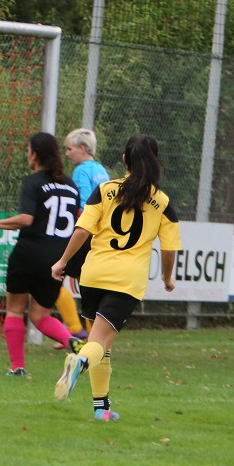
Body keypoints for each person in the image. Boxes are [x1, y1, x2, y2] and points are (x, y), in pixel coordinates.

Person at [50, 134, 181, 421]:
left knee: (102, 344)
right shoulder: (162, 202)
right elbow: (170, 247)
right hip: (126, 281)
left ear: (124, 159)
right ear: (156, 162)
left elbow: (83, 230)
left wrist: (63, 261)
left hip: (93, 275)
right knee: (97, 345)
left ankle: (102, 410)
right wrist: (168, 278)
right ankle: (79, 361)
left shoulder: (104, 189)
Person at [0, 132, 84, 378]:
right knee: (40, 315)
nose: (27, 155)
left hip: (29, 253)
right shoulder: (71, 186)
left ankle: (18, 367)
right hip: (57, 258)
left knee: (15, 310)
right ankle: (73, 343)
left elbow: (26, 219)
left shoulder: (33, 182)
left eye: (28, 150)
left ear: (34, 155)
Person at [58, 128, 111, 338]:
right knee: (88, 284)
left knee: (52, 275)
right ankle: (92, 337)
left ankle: (75, 332)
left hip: (86, 231)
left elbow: (85, 203)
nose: (67, 153)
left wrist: (76, 231)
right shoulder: (100, 169)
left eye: (69, 149)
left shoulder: (81, 170)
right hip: (101, 233)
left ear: (82, 148)